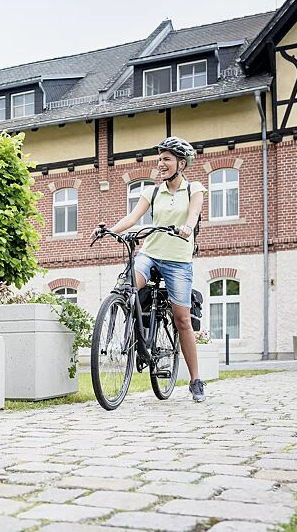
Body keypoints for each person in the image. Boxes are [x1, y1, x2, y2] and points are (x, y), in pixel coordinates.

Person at [93, 136, 207, 402]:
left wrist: (187, 227)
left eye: (166, 159)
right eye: (160, 159)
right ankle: (133, 332)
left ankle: (195, 380)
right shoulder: (152, 192)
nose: (161, 164)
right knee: (127, 285)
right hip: (150, 254)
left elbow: (193, 214)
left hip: (178, 260)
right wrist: (110, 230)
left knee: (182, 320)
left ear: (181, 163)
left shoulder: (194, 189)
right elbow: (133, 218)